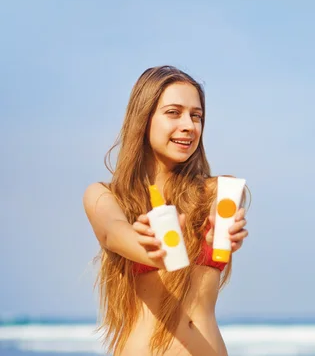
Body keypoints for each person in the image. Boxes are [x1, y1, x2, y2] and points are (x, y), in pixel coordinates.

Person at [83, 65, 249, 356]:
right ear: (143, 118)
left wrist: (223, 236)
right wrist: (150, 248)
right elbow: (113, 233)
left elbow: (223, 228)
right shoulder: (105, 196)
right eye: (174, 112)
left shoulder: (220, 193)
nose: (189, 125)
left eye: (196, 116)